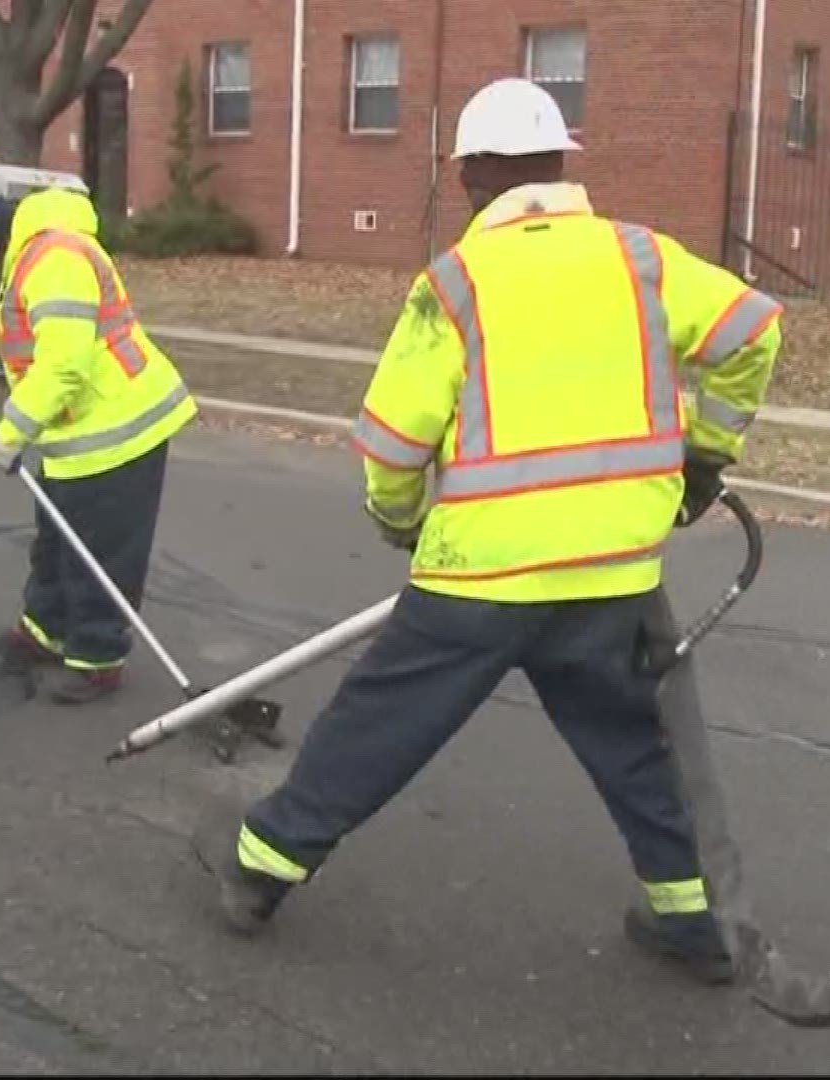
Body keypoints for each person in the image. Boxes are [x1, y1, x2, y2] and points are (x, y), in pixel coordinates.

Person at [207, 78, 783, 983]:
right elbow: (757, 330)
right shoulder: (645, 258)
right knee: (635, 749)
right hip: (611, 575)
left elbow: (394, 443)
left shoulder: (458, 283)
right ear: (560, 165)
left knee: (377, 730)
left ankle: (259, 870)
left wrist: (398, 523)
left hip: (478, 582)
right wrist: (707, 453)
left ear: (473, 174)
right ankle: (694, 923)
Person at [0, 172, 198, 704]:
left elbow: (64, 363)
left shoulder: (55, 258)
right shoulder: (28, 256)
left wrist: (12, 430)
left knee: (101, 551)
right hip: (77, 433)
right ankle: (44, 630)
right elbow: (37, 325)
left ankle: (97, 658)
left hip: (120, 431)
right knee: (55, 540)